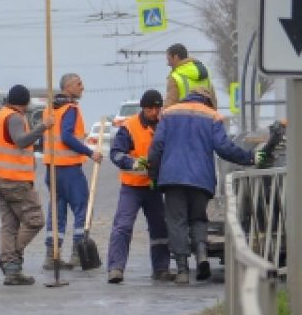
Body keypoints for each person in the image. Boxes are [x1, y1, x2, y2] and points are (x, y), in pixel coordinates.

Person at [148, 86, 262, 284]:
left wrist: (155, 174)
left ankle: (183, 270)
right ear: (209, 100)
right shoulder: (213, 116)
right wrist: (249, 158)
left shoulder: (168, 113)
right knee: (199, 218)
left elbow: (157, 146)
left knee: (177, 222)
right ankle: (201, 255)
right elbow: (224, 147)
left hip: (173, 177)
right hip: (201, 179)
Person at [0, 84, 53, 286]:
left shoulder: (1, 115)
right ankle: (8, 258)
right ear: (25, 102)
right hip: (14, 180)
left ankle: (12, 272)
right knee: (35, 220)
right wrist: (43, 127)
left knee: (10, 225)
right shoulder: (15, 118)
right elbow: (21, 141)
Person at [105, 89, 171, 284]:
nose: (154, 112)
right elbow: (116, 153)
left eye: (157, 108)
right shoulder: (129, 127)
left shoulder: (164, 125)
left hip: (154, 187)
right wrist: (132, 162)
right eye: (151, 108)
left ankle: (161, 268)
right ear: (143, 108)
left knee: (159, 229)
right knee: (123, 226)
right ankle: (116, 268)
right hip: (132, 187)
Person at [41, 72, 103, 270]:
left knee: (56, 212)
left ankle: (52, 256)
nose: (82, 87)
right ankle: (78, 253)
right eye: (78, 84)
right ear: (68, 87)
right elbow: (66, 136)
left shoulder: (50, 109)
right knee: (82, 209)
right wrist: (89, 152)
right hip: (68, 169)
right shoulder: (70, 109)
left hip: (52, 169)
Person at [164, 43, 217, 111]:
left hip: (184, 119)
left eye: (169, 59)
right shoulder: (205, 73)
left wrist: (162, 116)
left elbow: (170, 104)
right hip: (204, 118)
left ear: (176, 57)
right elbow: (213, 102)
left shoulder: (175, 77)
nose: (168, 64)